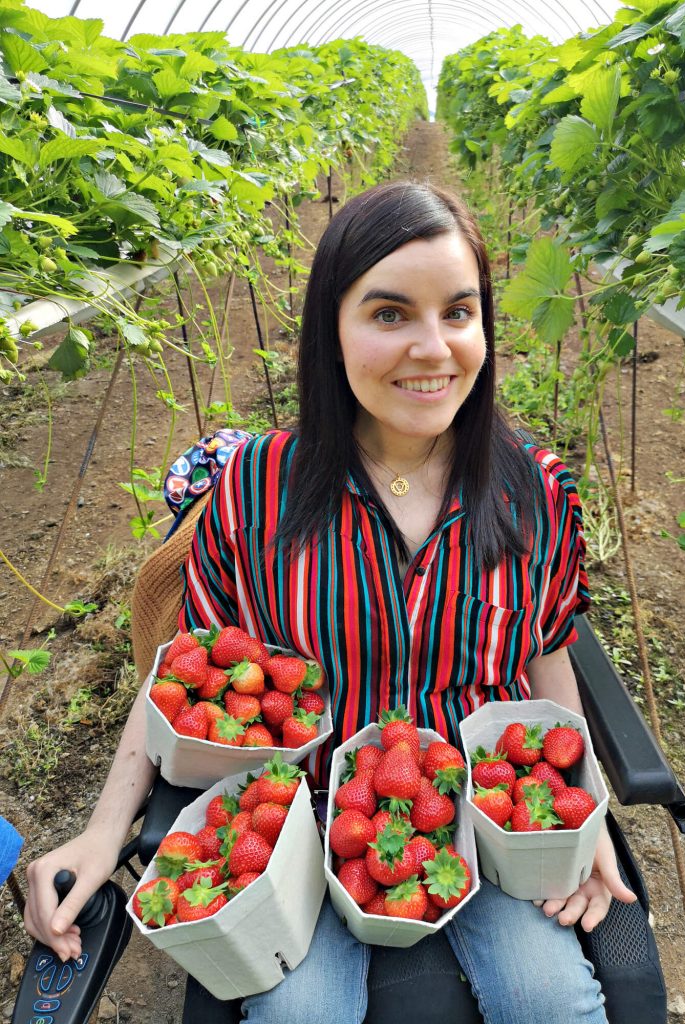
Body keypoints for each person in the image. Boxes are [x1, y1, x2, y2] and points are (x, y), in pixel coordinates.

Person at [24, 182, 639, 1023]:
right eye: (389, 314)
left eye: (458, 313)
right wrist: (103, 831)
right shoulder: (258, 489)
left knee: (552, 1004)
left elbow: (547, 654)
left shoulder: (533, 491)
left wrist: (583, 815)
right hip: (305, 822)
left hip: (479, 819)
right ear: (331, 328)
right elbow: (190, 673)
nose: (433, 347)